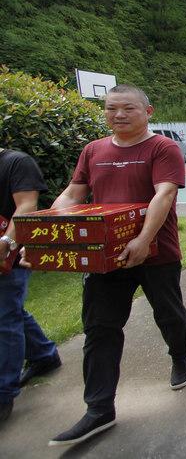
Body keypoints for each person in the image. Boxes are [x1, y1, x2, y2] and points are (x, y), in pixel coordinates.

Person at [48, 85, 186, 447]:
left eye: (128, 108)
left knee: (169, 313)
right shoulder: (93, 150)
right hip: (104, 257)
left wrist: (143, 240)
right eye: (111, 109)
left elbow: (166, 193)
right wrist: (51, 225)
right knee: (99, 327)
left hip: (156, 252)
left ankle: (180, 358)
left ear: (148, 111)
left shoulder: (162, 148)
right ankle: (98, 408)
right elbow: (73, 193)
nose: (119, 115)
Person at [0, 148, 61, 424]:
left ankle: (4, 392)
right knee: (10, 311)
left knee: (4, 318)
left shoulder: (16, 163)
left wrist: (7, 243)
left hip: (8, 255)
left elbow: (27, 205)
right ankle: (43, 354)